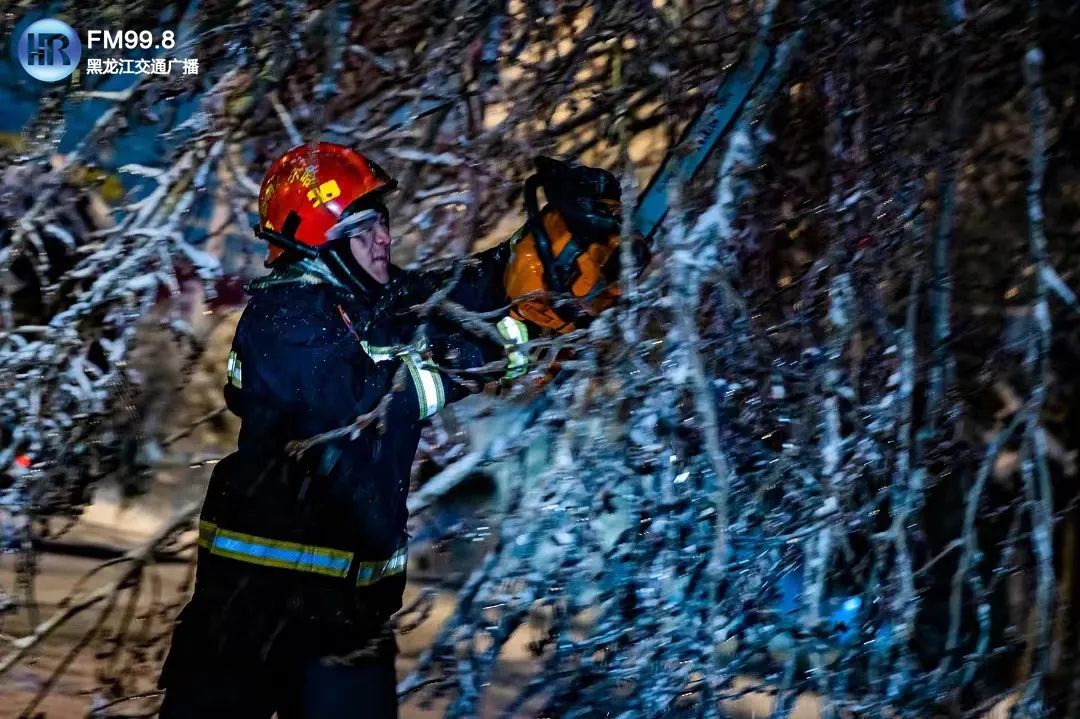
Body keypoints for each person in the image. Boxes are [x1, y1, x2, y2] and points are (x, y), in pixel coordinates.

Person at [157, 143, 531, 718]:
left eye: (381, 222)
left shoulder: (363, 306)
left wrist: (523, 261)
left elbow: (440, 294)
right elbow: (372, 401)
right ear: (320, 246)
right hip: (253, 618)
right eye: (362, 230)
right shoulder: (286, 318)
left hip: (349, 620)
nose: (383, 238)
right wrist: (493, 348)